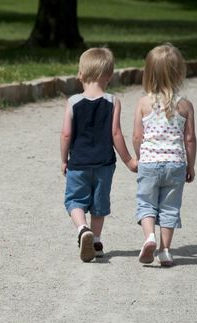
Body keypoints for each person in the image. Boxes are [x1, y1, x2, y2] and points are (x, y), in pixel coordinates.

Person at [61, 47, 137, 263]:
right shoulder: (113, 101)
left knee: (75, 200)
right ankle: (96, 240)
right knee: (99, 204)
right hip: (105, 164)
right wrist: (129, 160)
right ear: (109, 76)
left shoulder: (73, 102)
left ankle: (82, 228)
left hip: (79, 163)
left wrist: (63, 159)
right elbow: (116, 133)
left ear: (81, 75)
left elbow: (66, 134)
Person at [132, 43, 197, 267]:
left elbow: (137, 137)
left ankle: (149, 236)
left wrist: (140, 158)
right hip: (175, 164)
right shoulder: (185, 105)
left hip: (149, 163)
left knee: (146, 203)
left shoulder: (143, 103)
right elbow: (189, 139)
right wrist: (191, 166)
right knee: (170, 208)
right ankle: (165, 250)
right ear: (179, 72)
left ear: (149, 73)